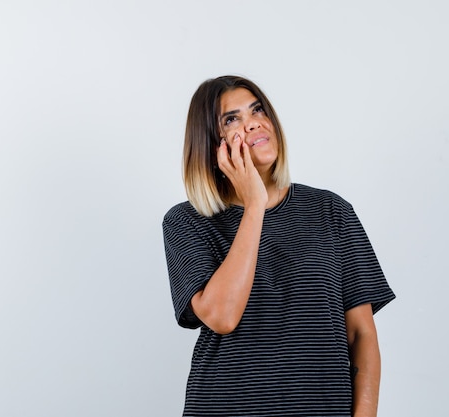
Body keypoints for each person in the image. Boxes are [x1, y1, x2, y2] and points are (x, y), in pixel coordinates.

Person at [162, 75, 395, 417]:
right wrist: (254, 203)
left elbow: (361, 334)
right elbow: (222, 317)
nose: (254, 122)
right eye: (232, 119)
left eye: (257, 110)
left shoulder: (331, 211)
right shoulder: (187, 221)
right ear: (213, 144)